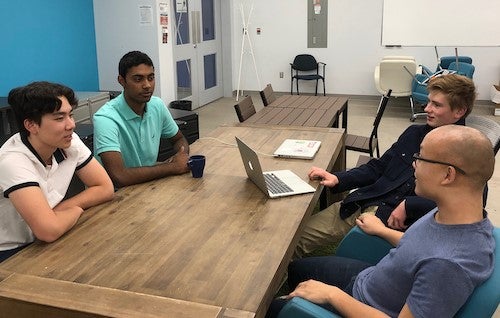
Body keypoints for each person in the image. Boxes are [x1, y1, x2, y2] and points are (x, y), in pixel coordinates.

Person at [267, 125, 495, 317]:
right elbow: (426, 247)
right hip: (372, 279)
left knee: (270, 309)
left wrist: (331, 295)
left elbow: (436, 259)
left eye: (420, 157)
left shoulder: (448, 265)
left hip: (367, 303)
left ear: (448, 175)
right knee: (297, 270)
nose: (413, 164)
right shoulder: (455, 214)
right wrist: (383, 231)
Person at [296, 73, 477, 258]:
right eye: (429, 102)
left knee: (298, 243)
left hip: (392, 225)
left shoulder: (469, 152)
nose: (427, 109)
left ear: (459, 111)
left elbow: (470, 203)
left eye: (437, 105)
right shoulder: (414, 134)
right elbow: (378, 167)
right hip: (366, 200)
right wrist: (338, 178)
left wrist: (411, 205)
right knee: (296, 237)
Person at [0, 81, 114, 262]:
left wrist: (57, 212)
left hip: (47, 236)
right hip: (11, 251)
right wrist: (75, 209)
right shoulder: (13, 160)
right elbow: (48, 230)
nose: (71, 125)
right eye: (59, 118)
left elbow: (105, 187)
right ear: (31, 125)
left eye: (71, 115)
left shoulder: (69, 141)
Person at [93, 50, 190, 187]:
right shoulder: (106, 118)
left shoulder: (156, 105)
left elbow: (179, 139)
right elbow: (119, 176)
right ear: (122, 81)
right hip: (116, 196)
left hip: (147, 185)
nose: (147, 85)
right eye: (138, 79)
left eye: (151, 78)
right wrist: (173, 167)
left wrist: (181, 156)